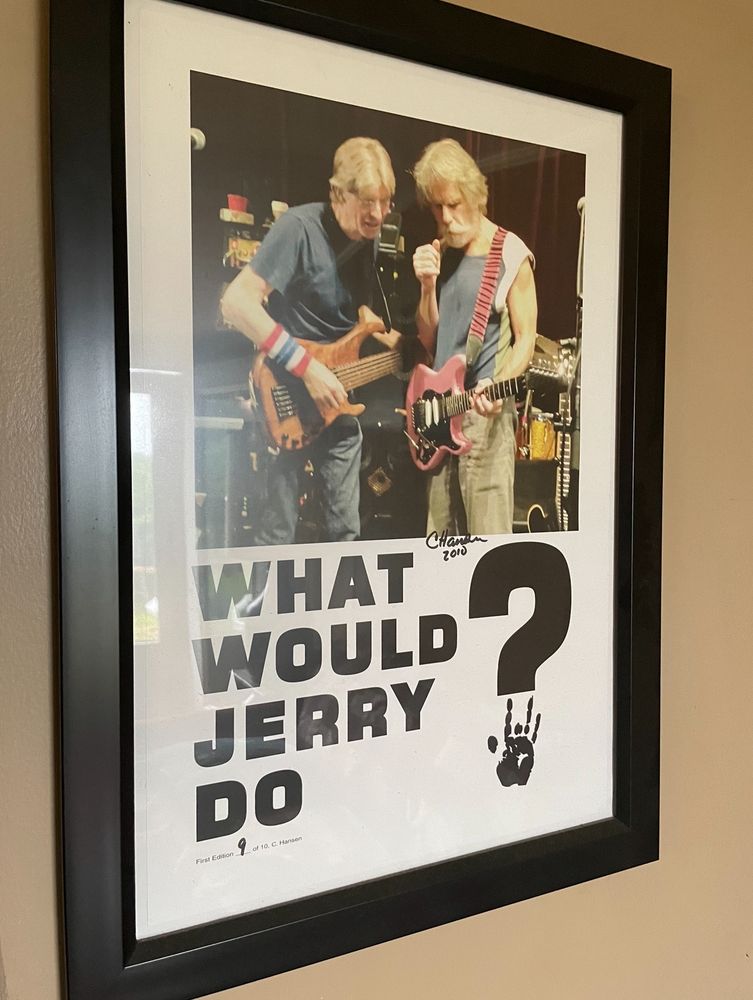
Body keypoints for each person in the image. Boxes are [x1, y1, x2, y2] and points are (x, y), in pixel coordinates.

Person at [221, 137, 397, 545]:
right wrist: (308, 368)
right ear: (338, 193)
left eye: (386, 201)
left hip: (337, 403)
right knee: (277, 532)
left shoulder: (364, 239)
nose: (379, 214)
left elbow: (350, 322)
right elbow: (236, 302)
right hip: (288, 398)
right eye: (368, 201)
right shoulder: (298, 228)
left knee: (346, 534)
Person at [411, 138, 538, 536]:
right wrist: (427, 286)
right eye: (437, 207)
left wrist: (500, 387)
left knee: (487, 545)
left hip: (485, 416)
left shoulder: (510, 251)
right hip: (437, 414)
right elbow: (430, 338)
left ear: (475, 194)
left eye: (453, 203)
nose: (446, 217)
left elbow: (527, 338)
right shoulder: (441, 253)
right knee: (439, 544)